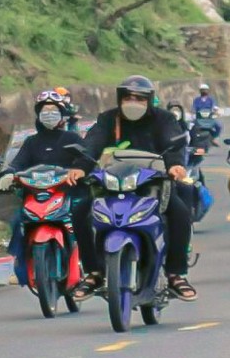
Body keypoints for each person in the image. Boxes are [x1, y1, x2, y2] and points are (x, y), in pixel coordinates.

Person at [79, 75, 197, 299]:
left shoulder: (164, 119)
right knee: (81, 211)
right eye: (128, 97)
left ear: (149, 100)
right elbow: (92, 144)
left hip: (153, 182)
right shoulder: (107, 119)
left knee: (179, 212)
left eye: (139, 98)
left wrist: (175, 166)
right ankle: (93, 272)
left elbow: (174, 144)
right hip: (112, 183)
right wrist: (80, 167)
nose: (133, 102)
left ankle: (176, 274)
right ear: (120, 99)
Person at [1, 89, 98, 295]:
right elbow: (17, 163)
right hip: (38, 197)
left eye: (54, 110)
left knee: (85, 219)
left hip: (69, 195)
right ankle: (21, 267)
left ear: (63, 114)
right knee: (19, 221)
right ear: (38, 114)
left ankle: (90, 267)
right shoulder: (31, 142)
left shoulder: (72, 138)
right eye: (45, 110)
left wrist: (85, 173)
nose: (49, 114)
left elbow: (87, 160)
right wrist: (8, 175)